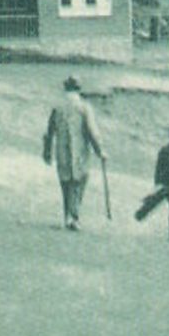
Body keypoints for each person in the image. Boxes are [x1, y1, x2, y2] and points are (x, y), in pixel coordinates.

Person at [43, 76, 106, 231]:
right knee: (79, 183)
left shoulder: (57, 107)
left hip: (62, 151)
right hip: (80, 152)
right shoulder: (84, 107)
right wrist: (100, 151)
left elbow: (49, 132)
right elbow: (92, 131)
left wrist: (47, 152)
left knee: (65, 184)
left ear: (65, 88)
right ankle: (74, 218)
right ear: (79, 89)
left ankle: (67, 217)